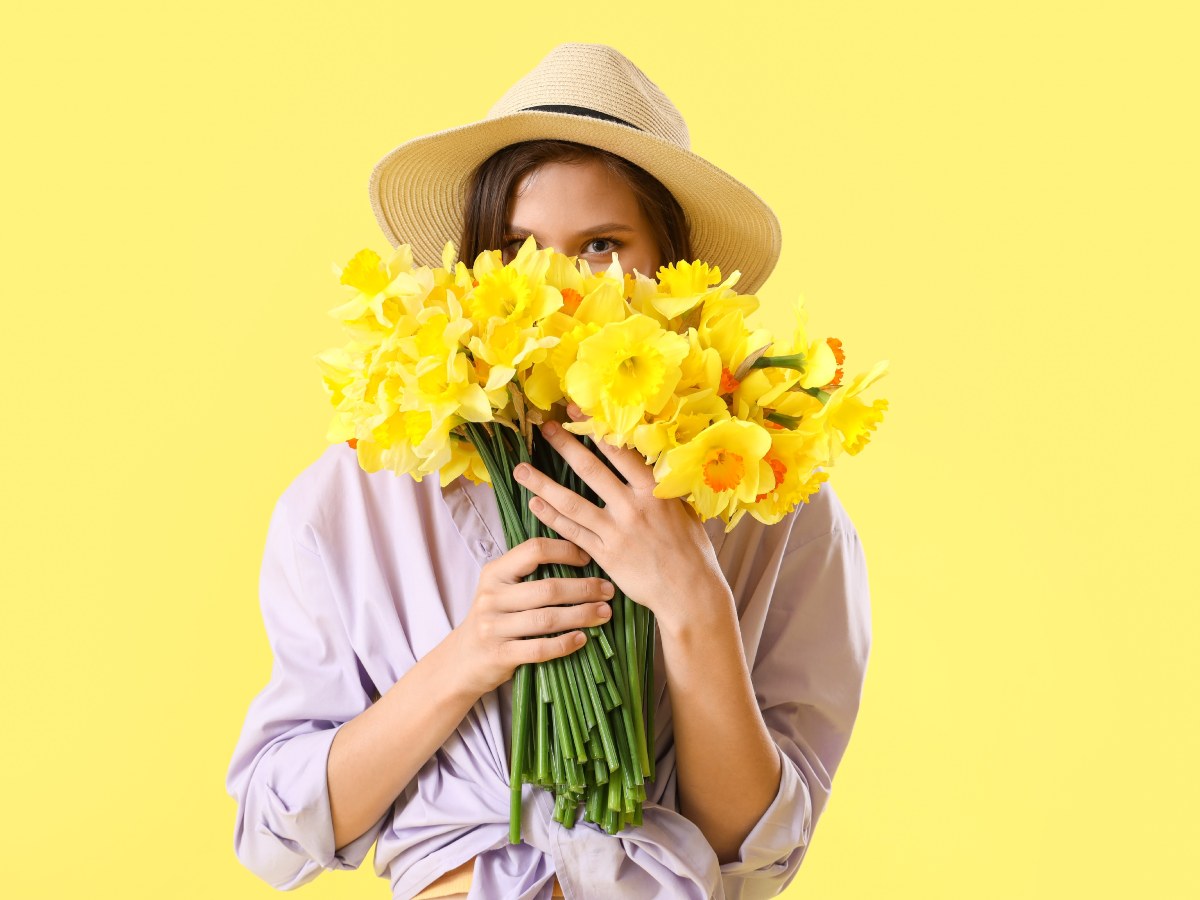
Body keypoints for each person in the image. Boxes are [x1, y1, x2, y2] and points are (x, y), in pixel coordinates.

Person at [225, 42, 872, 900]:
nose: (562, 286)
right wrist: (468, 656)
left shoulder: (772, 506)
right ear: (472, 272)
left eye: (602, 246)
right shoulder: (362, 493)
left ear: (674, 276)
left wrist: (694, 608)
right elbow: (273, 835)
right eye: (518, 247)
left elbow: (755, 856)